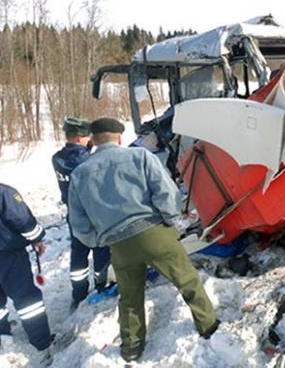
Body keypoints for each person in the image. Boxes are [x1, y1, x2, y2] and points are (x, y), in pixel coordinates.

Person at [68, 118, 219, 362]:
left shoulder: (79, 175)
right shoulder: (139, 156)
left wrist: (100, 241)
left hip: (119, 245)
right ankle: (208, 325)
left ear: (93, 141)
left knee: (130, 297)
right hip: (154, 232)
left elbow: (79, 223)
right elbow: (166, 191)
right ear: (118, 138)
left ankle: (132, 348)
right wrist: (170, 220)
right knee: (187, 280)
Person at [51, 118, 111, 310]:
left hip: (73, 215)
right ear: (79, 138)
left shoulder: (57, 159)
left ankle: (78, 294)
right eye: (87, 137)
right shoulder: (89, 161)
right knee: (101, 251)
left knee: (78, 254)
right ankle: (102, 287)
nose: (90, 139)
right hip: (94, 215)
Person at [0, 183, 53, 351]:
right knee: (27, 299)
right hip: (8, 255)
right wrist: (37, 238)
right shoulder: (4, 192)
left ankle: (2, 334)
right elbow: (22, 220)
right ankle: (42, 341)